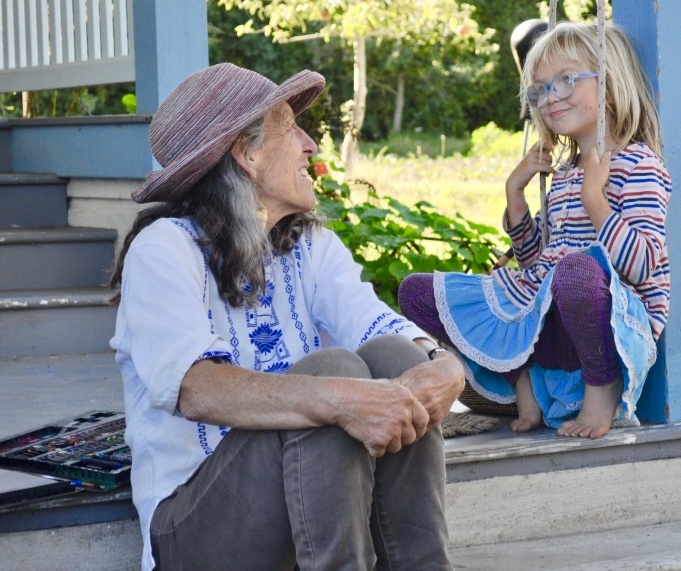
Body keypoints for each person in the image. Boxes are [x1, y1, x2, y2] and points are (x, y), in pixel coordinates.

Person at [109, 63, 465, 571]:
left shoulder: (309, 245)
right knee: (332, 376)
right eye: (288, 126)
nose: (309, 143)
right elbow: (196, 389)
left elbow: (379, 325)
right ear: (248, 154)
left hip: (304, 500)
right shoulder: (163, 250)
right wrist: (337, 400)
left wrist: (442, 366)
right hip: (195, 528)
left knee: (393, 356)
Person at [399, 22, 670, 440]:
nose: (550, 97)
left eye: (565, 81)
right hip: (552, 325)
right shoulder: (563, 174)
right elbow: (534, 263)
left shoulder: (638, 164)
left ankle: (603, 387)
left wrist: (594, 199)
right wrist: (515, 194)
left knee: (576, 271)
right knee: (416, 291)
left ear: (611, 86)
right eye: (540, 89)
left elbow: (643, 266)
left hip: (612, 329)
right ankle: (521, 379)